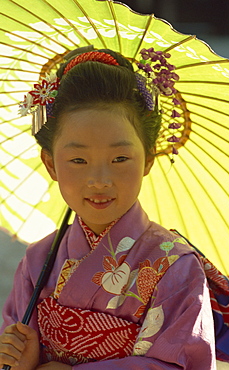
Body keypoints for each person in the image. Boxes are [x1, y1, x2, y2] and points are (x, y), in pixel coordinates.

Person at [0, 46, 216, 369]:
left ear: (148, 159)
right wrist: (20, 360)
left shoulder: (177, 269)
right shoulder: (37, 263)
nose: (99, 180)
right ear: (50, 164)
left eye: (119, 159)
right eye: (78, 160)